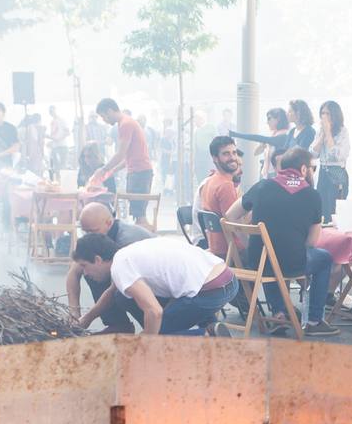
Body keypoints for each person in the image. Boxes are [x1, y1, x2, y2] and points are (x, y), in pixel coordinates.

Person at [222, 145, 338, 337]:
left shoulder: (261, 186)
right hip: (292, 262)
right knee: (323, 258)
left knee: (267, 255)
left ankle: (279, 313)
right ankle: (314, 321)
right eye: (312, 168)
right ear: (303, 170)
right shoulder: (312, 195)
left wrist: (248, 239)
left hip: (258, 260)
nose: (312, 173)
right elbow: (312, 241)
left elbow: (229, 216)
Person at [70, 232, 235, 337]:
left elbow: (154, 311)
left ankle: (206, 334)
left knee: (156, 331)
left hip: (209, 292)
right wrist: (87, 319)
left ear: (98, 260)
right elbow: (111, 294)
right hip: (227, 280)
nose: (85, 273)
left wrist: (146, 341)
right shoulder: (125, 254)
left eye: (84, 266)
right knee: (121, 296)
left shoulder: (120, 267)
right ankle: (210, 324)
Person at [67, 202, 154, 332]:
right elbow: (74, 272)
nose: (88, 235)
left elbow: (114, 289)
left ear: (108, 223)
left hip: (154, 283)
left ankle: (150, 327)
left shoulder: (126, 240)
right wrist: (74, 312)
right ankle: (117, 323)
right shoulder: (94, 238)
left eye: (92, 231)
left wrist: (88, 318)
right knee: (89, 270)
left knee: (120, 293)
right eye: (85, 231)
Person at [90, 97, 153, 220]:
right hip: (137, 171)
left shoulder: (126, 124)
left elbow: (120, 154)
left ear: (109, 111)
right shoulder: (125, 123)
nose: (104, 120)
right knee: (137, 214)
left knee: (139, 214)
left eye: (103, 116)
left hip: (139, 173)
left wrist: (103, 170)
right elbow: (129, 156)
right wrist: (112, 170)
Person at [196, 135, 244, 258]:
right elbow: (234, 224)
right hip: (232, 252)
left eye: (234, 152)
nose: (233, 157)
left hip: (216, 248)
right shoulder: (225, 186)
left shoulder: (210, 181)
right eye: (226, 154)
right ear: (215, 158)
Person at [313, 100, 351, 217]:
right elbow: (313, 153)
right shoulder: (320, 131)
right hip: (323, 171)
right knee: (322, 208)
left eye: (328, 113)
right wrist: (322, 135)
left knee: (334, 209)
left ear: (335, 115)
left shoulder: (342, 131)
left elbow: (337, 155)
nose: (324, 116)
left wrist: (328, 132)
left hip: (337, 171)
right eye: (322, 113)